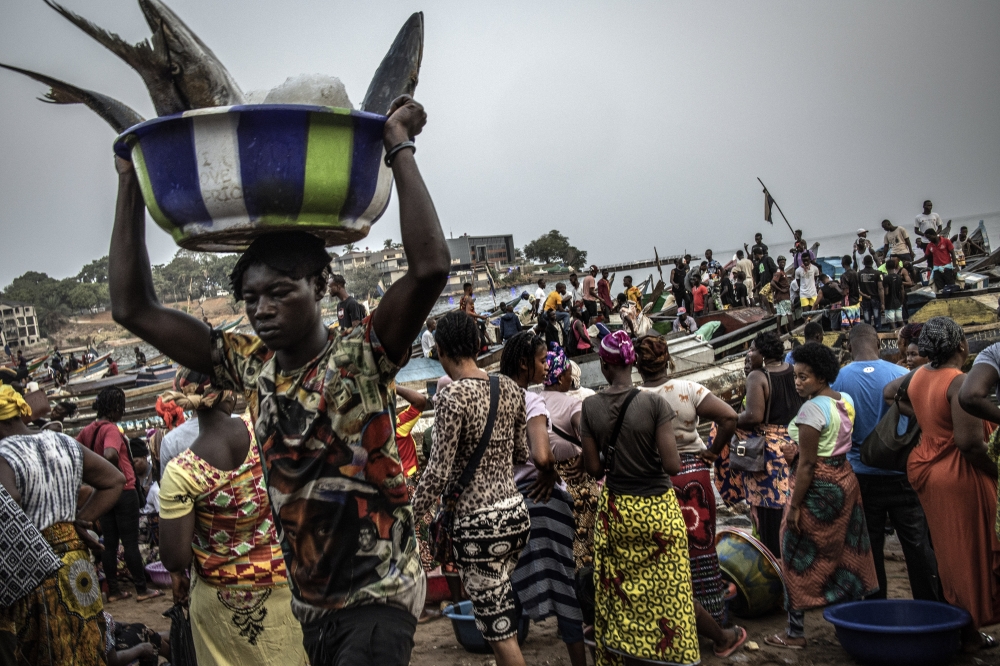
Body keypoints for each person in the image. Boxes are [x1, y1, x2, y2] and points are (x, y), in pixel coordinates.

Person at [109, 95, 448, 665]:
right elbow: (132, 308)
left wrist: (399, 147)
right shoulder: (251, 365)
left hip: (378, 596)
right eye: (250, 299)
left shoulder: (362, 355)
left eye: (279, 291)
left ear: (319, 286)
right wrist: (129, 182)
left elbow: (430, 267)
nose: (261, 309)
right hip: (309, 606)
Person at [581, 332, 743, 664]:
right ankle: (678, 649)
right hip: (657, 506)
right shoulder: (653, 403)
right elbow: (671, 464)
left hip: (618, 509)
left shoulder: (590, 405)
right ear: (631, 362)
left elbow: (594, 468)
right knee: (672, 587)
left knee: (622, 584)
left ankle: (628, 647)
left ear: (603, 364)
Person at [158, 369, 307, 666]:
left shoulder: (182, 472)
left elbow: (175, 559)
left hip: (220, 604)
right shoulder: (266, 432)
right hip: (282, 586)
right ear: (230, 392)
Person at [411, 313, 532, 666]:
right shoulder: (509, 388)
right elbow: (521, 453)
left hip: (479, 527)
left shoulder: (452, 396)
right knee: (500, 613)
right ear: (479, 346)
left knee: (499, 631)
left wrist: (407, 518)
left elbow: (436, 473)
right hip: (515, 515)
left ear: (441, 350)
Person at [887, 318, 1000, 651]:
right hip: (958, 473)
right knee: (972, 551)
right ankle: (969, 632)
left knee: (949, 554)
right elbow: (969, 443)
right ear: (962, 347)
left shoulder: (920, 375)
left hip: (926, 467)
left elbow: (890, 392)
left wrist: (925, 420)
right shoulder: (958, 381)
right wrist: (997, 471)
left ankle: (965, 630)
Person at [0, 384, 126, 665]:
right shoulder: (63, 442)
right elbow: (114, 480)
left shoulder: (3, 452)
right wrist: (79, 519)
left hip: (32, 567)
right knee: (87, 640)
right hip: (77, 564)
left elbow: (11, 498)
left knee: (48, 648)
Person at [765, 342, 878, 649]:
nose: (798, 382)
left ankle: (795, 632)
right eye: (797, 377)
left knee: (793, 548)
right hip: (845, 479)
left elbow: (809, 465)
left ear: (821, 376)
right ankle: (852, 618)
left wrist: (796, 506)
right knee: (845, 550)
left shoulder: (811, 409)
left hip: (819, 486)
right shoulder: (843, 399)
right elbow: (834, 441)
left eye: (805, 377)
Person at [831, 325, 940, 603]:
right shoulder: (902, 375)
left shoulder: (838, 380)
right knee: (916, 544)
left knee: (870, 546)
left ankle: (876, 608)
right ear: (878, 344)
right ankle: (929, 606)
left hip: (861, 474)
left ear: (851, 346)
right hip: (903, 471)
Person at [636, 335, 739, 627]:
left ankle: (673, 621)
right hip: (694, 474)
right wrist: (713, 452)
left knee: (663, 552)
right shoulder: (689, 389)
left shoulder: (635, 398)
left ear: (637, 365)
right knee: (701, 549)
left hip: (654, 478)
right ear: (668, 359)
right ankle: (714, 620)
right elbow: (730, 417)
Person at [499, 335, 586, 666]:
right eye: (540, 360)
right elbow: (542, 457)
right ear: (524, 364)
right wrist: (549, 470)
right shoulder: (529, 400)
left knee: (512, 586)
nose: (545, 366)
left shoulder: (490, 396)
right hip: (542, 500)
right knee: (564, 585)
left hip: (505, 504)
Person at [716, 331, 803, 558]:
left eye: (752, 349)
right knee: (788, 512)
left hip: (768, 456)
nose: (749, 353)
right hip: (792, 447)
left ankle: (773, 574)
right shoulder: (794, 372)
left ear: (763, 354)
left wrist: (731, 419)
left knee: (768, 522)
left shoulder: (758, 376)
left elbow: (754, 416)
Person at [76, 387, 163, 602]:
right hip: (123, 491)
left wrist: (95, 478)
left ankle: (114, 591)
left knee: (110, 543)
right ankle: (142, 589)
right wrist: (110, 473)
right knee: (130, 542)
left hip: (103, 493)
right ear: (115, 409)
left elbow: (74, 452)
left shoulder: (88, 430)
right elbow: (111, 454)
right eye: (121, 409)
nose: (122, 413)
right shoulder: (111, 430)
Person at [540, 345, 599, 569]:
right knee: (584, 551)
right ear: (562, 376)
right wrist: (585, 458)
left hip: (545, 484)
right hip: (575, 483)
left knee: (558, 552)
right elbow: (589, 433)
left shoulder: (533, 402)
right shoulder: (572, 403)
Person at [882, 259, 910, 330]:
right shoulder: (899, 277)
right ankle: (904, 333)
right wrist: (901, 301)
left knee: (892, 323)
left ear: (886, 267)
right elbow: (902, 291)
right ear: (894, 267)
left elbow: (886, 292)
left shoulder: (886, 279)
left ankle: (895, 337)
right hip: (898, 303)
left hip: (889, 304)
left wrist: (883, 303)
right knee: (900, 322)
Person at [857, 255, 884, 329]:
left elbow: (857, 288)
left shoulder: (859, 274)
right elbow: (880, 288)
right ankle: (878, 336)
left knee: (867, 322)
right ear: (872, 263)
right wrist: (882, 303)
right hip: (876, 299)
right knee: (877, 320)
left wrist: (864, 295)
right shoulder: (878, 273)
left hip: (865, 300)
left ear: (863, 263)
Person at [771, 256, 792, 334]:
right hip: (783, 297)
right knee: (789, 314)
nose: (783, 264)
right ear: (778, 263)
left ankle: (779, 331)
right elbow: (772, 283)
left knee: (779, 314)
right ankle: (792, 330)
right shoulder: (779, 272)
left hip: (780, 297)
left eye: (784, 262)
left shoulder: (783, 272)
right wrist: (781, 290)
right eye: (781, 262)